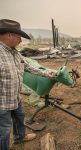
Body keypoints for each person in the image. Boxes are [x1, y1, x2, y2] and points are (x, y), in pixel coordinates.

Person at [0, 19, 57, 150]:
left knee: (20, 117)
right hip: (2, 103)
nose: (20, 40)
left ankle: (20, 137)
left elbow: (28, 67)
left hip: (15, 97)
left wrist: (47, 73)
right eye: (19, 37)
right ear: (9, 35)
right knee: (4, 130)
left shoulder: (14, 52)